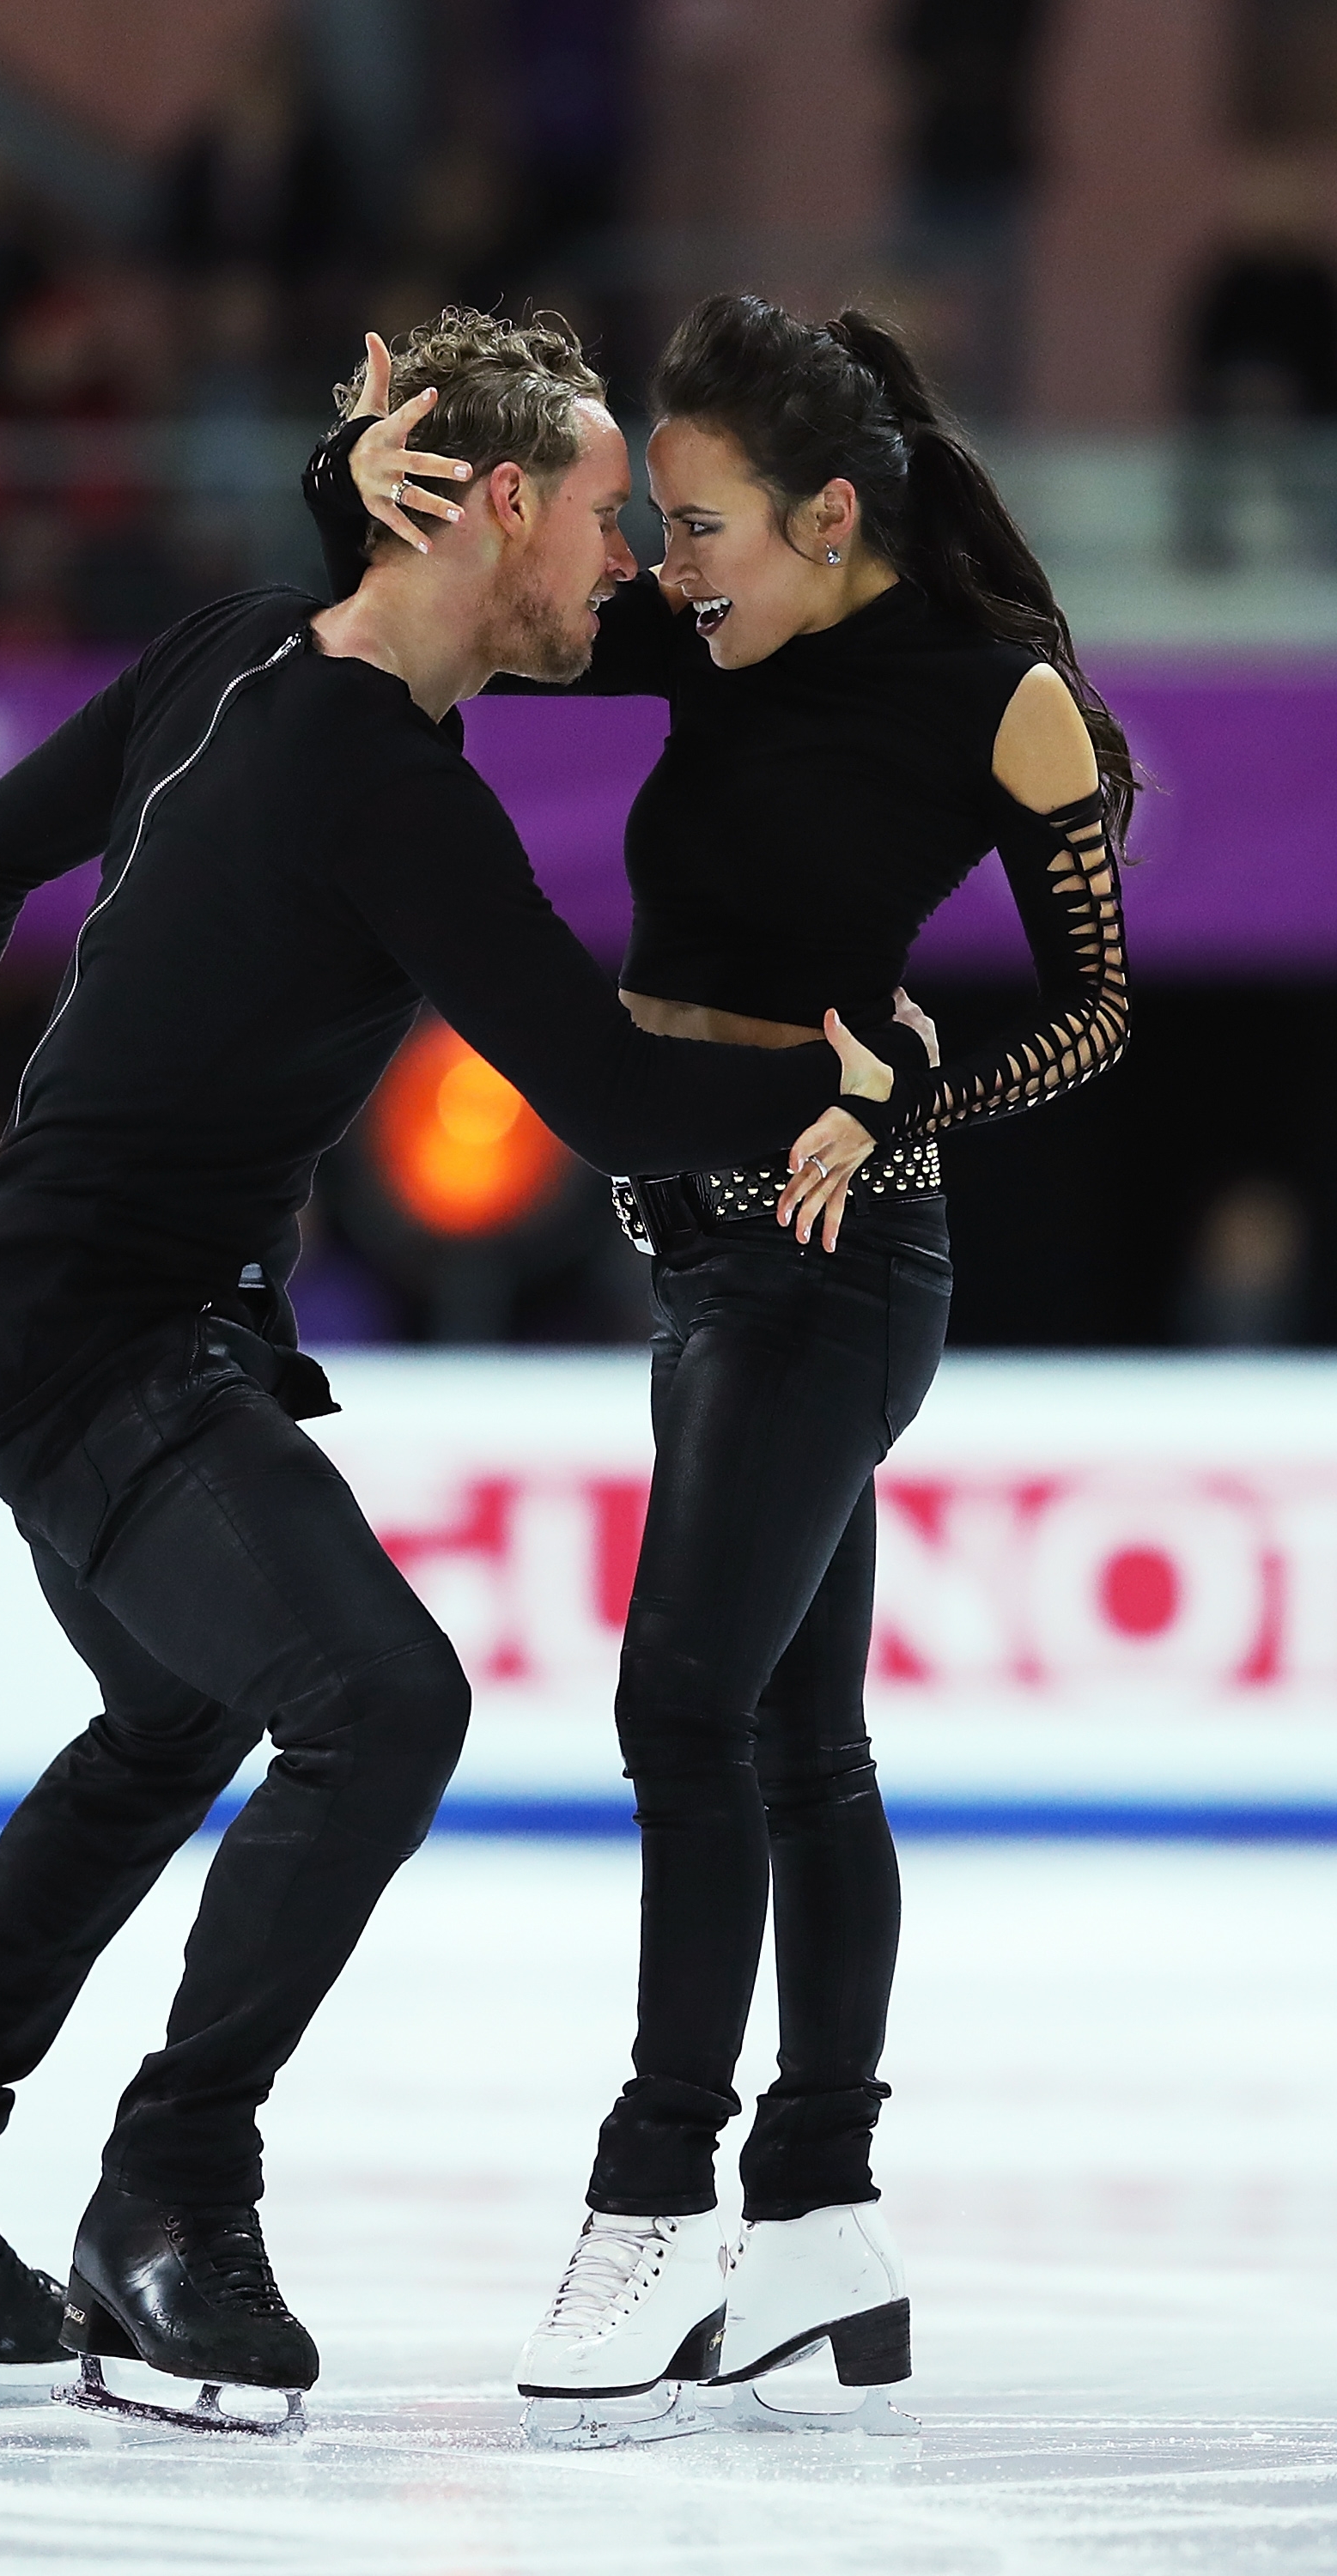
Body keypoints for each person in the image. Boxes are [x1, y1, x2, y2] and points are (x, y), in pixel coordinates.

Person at [0, 307, 924, 2427]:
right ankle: (169, 2195)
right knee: (378, 1702)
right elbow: (604, 1097)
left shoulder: (239, 656)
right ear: (499, 504)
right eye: (603, 519)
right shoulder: (385, 790)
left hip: (81, 1306)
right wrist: (858, 1086)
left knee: (171, 1723)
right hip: (104, 1326)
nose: (629, 568)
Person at [308, 294, 1133, 2444]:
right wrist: (355, 485)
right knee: (797, 1738)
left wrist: (911, 1097)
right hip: (688, 1247)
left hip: (839, 1254)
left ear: (827, 518)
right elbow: (482, 622)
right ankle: (824, 2220)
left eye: (698, 529)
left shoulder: (1000, 699)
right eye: (657, 531)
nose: (663, 569)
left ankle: (657, 2193)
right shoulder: (705, 640)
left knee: (685, 1708)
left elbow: (1096, 1007)